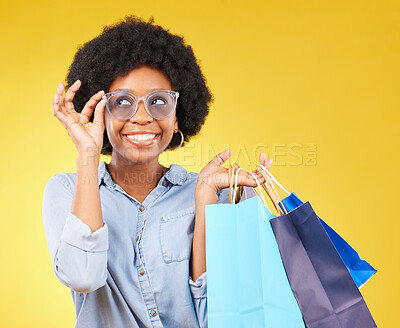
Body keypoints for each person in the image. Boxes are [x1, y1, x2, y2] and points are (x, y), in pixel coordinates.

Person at [42, 15, 272, 328]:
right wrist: (87, 153)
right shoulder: (66, 191)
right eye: (122, 101)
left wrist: (204, 199)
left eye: (159, 101)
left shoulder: (214, 192)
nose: (141, 117)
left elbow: (219, 318)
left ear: (177, 116)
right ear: (100, 112)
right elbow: (82, 277)